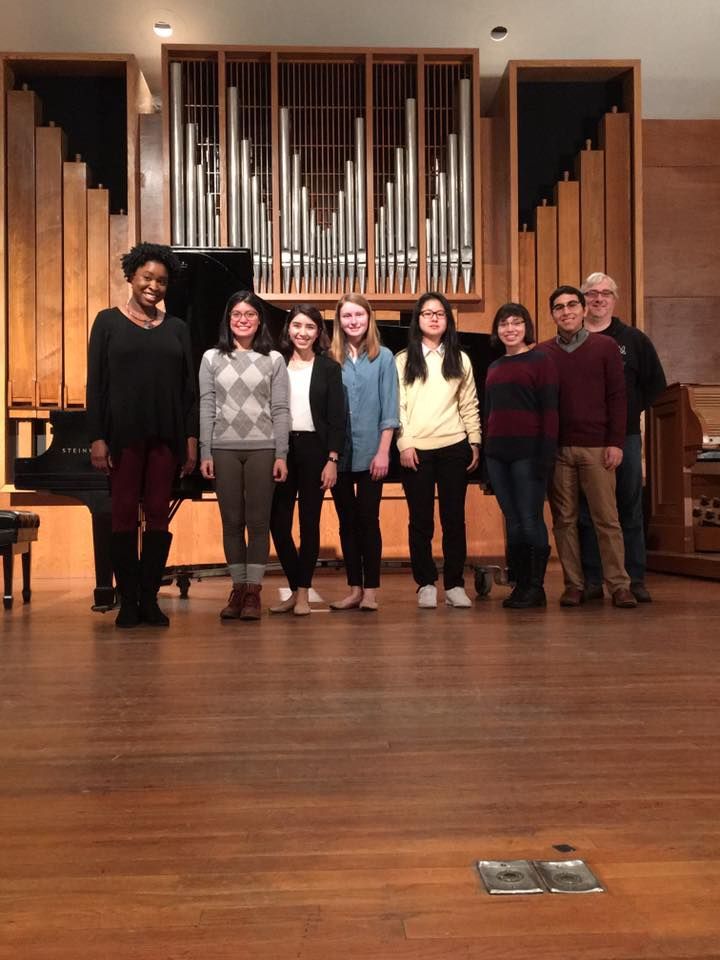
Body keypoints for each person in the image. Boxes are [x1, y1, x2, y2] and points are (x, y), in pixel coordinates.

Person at [87, 242, 198, 629]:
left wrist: (190, 439)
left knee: (157, 516)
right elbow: (95, 384)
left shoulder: (178, 328)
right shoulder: (107, 322)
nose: (154, 286)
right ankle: (128, 601)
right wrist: (97, 437)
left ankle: (149, 599)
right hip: (122, 436)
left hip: (166, 436)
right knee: (122, 515)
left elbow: (188, 390)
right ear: (131, 276)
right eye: (147, 277)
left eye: (162, 281)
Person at [541, 285, 637, 608]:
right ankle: (574, 584)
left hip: (597, 447)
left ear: (583, 310)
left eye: (572, 305)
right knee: (564, 521)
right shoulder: (544, 353)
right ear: (552, 314)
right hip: (559, 450)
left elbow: (618, 397)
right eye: (559, 307)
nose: (566, 311)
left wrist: (616, 442)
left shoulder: (605, 347)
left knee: (606, 519)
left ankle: (619, 585)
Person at [199, 291, 289, 621]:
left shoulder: (274, 359)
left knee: (259, 522)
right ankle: (237, 588)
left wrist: (281, 453)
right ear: (228, 319)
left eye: (250, 314)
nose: (243, 319)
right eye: (236, 313)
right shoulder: (211, 357)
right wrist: (205, 451)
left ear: (260, 320)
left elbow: (280, 409)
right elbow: (207, 405)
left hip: (263, 448)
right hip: (223, 448)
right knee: (232, 522)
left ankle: (253, 591)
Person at [578, 272, 667, 603]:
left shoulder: (634, 340)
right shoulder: (573, 339)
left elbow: (655, 385)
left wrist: (627, 415)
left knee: (629, 508)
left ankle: (634, 578)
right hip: (585, 438)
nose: (598, 299)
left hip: (625, 437)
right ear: (583, 300)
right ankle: (592, 580)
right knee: (586, 511)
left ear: (614, 299)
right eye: (592, 293)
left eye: (605, 293)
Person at [395, 292, 481, 609]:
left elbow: (469, 404)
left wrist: (474, 440)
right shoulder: (403, 359)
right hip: (416, 449)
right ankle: (426, 583)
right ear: (417, 319)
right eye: (427, 313)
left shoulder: (461, 359)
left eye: (440, 313)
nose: (434, 318)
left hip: (454, 446)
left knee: (453, 520)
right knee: (420, 521)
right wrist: (404, 443)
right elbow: (398, 406)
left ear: (448, 320)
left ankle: (455, 584)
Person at [269, 304, 346, 616]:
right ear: (288, 328)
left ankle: (302, 594)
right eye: (297, 325)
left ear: (318, 332)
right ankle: (295, 586)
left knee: (309, 523)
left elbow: (337, 418)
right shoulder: (276, 362)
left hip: (316, 449)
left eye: (310, 327)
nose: (302, 332)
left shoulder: (329, 368)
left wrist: (332, 459)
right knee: (278, 523)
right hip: (282, 449)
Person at [483, 302, 558, 608]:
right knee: (512, 521)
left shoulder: (541, 361)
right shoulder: (494, 367)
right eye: (504, 324)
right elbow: (489, 414)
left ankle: (536, 587)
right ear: (497, 330)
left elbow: (550, 412)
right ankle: (520, 585)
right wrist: (487, 461)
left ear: (526, 327)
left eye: (516, 322)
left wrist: (546, 456)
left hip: (529, 452)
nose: (510, 329)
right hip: (497, 455)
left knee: (529, 520)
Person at [328, 293, 399, 611]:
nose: (353, 321)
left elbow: (390, 408)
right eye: (347, 316)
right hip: (340, 454)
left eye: (358, 314)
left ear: (369, 318)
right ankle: (354, 588)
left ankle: (371, 590)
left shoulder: (383, 357)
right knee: (346, 522)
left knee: (369, 520)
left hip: (372, 452)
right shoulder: (330, 358)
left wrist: (383, 452)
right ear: (339, 321)